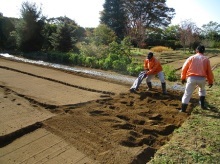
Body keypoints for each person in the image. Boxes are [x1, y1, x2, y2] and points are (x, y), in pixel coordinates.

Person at [180, 45, 214, 112]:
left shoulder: (191, 58)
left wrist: (183, 78)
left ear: (196, 50)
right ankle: (202, 105)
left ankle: (183, 110)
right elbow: (209, 72)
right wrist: (210, 81)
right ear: (203, 51)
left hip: (191, 78)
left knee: (187, 93)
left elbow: (184, 69)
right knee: (202, 90)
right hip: (202, 79)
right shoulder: (206, 59)